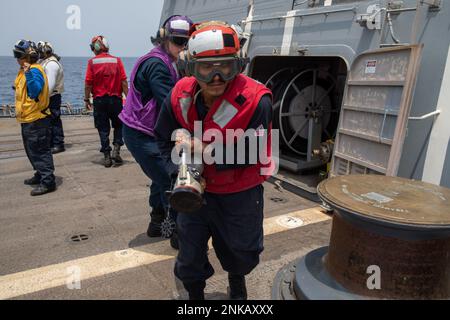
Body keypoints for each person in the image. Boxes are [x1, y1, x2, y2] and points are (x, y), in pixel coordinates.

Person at [154, 22, 274, 300]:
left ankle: (236, 280)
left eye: (226, 67)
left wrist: (202, 148)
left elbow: (253, 152)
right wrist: (178, 174)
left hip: (239, 193)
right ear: (191, 67)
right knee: (189, 256)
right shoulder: (178, 95)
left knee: (241, 253)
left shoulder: (257, 101)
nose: (217, 77)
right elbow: (161, 139)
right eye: (206, 68)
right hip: (193, 192)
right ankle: (194, 296)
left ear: (238, 65)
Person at [119, 15, 194, 249]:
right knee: (172, 180)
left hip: (148, 132)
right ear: (165, 39)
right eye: (179, 42)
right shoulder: (157, 65)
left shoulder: (168, 60)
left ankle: (156, 223)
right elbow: (171, 103)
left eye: (186, 42)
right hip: (142, 134)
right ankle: (178, 235)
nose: (183, 47)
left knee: (158, 178)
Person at [13, 40, 56, 196]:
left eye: (18, 55)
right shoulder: (25, 70)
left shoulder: (34, 70)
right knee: (31, 150)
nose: (16, 58)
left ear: (28, 56)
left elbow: (34, 91)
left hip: (37, 119)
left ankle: (48, 181)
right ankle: (39, 174)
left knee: (39, 150)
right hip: (27, 118)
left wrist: (28, 73)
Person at [84, 35, 128, 167]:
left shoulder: (92, 62)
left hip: (99, 101)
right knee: (119, 125)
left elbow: (88, 84)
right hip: (116, 100)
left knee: (103, 129)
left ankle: (107, 156)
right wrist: (130, 98)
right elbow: (124, 82)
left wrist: (86, 99)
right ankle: (116, 149)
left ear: (95, 48)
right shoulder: (117, 60)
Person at [37, 41, 65, 154]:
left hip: (52, 96)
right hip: (50, 96)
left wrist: (42, 99)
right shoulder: (45, 62)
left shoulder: (51, 64)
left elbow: (50, 85)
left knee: (54, 120)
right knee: (49, 120)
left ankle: (58, 144)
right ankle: (51, 142)